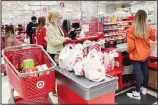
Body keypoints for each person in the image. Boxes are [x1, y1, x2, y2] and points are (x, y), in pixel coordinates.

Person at [126, 10, 156, 100]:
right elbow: (154, 37)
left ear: (136, 17)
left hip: (136, 55)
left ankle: (137, 93)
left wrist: (128, 51)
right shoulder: (148, 27)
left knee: (138, 73)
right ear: (145, 18)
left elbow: (131, 46)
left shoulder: (131, 29)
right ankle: (144, 89)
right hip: (145, 54)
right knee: (145, 71)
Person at [47, 11, 66, 97]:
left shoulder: (57, 27)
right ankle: (53, 89)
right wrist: (65, 39)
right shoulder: (50, 28)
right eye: (59, 19)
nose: (60, 20)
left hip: (60, 52)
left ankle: (61, 89)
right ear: (54, 19)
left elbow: (60, 37)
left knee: (60, 72)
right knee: (54, 73)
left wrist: (65, 38)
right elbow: (54, 42)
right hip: (54, 53)